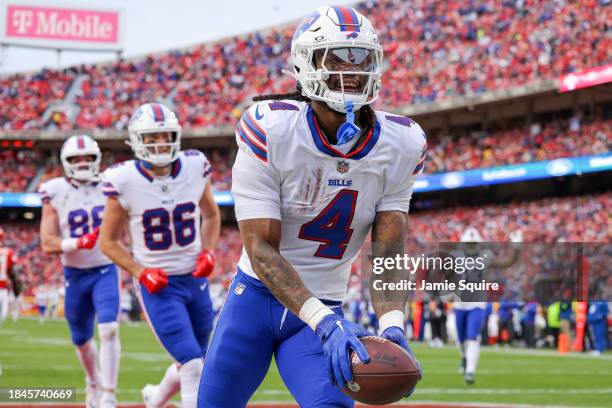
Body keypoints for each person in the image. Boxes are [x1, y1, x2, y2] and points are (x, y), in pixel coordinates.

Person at [198, 6, 424, 407]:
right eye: (336, 57)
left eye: (361, 60)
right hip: (254, 301)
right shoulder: (271, 129)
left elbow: (388, 250)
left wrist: (393, 325)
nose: (351, 71)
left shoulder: (401, 144)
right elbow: (262, 251)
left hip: (326, 304)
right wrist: (324, 322)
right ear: (306, 63)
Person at [99, 102, 220, 408]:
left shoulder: (194, 166)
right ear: (137, 140)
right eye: (151, 137)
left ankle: (155, 397)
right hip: (159, 286)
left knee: (195, 358)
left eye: (164, 135)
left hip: (195, 280)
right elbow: (108, 242)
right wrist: (141, 271)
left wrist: (208, 250)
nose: (159, 143)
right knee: (193, 366)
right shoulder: (124, 179)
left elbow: (212, 215)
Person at [39, 135, 121, 408]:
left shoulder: (111, 183)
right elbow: (47, 242)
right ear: (66, 162)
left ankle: (108, 395)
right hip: (75, 273)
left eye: (88, 158)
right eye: (76, 159)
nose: (83, 163)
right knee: (81, 340)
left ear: (97, 160)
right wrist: (77, 242)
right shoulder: (54, 190)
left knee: (109, 328)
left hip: (105, 269)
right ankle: (93, 381)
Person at [453, 227, 521, 385]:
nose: (471, 246)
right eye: (468, 243)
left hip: (477, 302)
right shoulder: (455, 257)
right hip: (460, 304)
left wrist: (516, 247)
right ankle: (464, 357)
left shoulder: (485, 256)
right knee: (460, 340)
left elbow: (508, 262)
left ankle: (470, 371)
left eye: (473, 243)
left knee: (473, 337)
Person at [0, 227, 18, 324]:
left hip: (3, 288)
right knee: (3, 314)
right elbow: (13, 270)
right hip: (3, 288)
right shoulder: (8, 252)